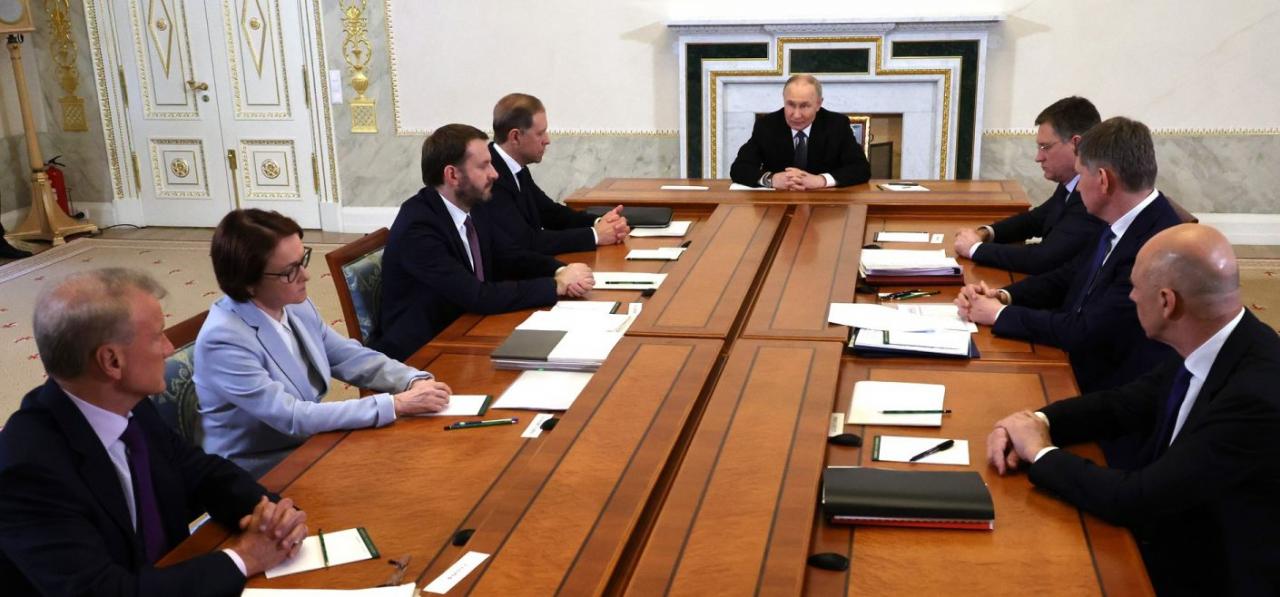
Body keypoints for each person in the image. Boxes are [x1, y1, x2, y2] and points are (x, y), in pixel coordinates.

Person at [986, 224, 1280, 596]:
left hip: (1211, 571)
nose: (1131, 296)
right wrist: (1035, 421)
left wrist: (1040, 452)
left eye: (1136, 288)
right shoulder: (1215, 338)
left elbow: (1138, 499)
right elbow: (1123, 404)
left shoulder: (1255, 397)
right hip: (1176, 530)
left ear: (1167, 302)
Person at [0, 269, 308, 595]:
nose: (169, 348)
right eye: (157, 336)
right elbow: (102, 592)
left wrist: (269, 513)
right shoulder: (26, 470)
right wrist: (244, 558)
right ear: (111, 361)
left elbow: (201, 473)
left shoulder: (130, 405)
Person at [957, 117, 1181, 467]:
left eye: (1081, 176)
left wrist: (1000, 315)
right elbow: (1068, 277)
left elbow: (1086, 330)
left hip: (1109, 392)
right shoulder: (1123, 218)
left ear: (1103, 180)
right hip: (1079, 359)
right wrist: (1003, 297)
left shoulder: (1154, 245)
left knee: (978, 412)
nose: (1076, 190)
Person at [195, 209, 453, 478]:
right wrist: (394, 404)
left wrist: (411, 380)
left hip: (312, 443)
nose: (306, 275)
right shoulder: (224, 341)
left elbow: (348, 356)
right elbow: (293, 417)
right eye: (290, 271)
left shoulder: (293, 304)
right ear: (248, 283)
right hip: (260, 471)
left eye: (302, 260)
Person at [371, 124, 595, 361]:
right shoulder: (417, 228)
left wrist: (560, 270)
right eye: (483, 166)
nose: (495, 174)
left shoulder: (473, 207)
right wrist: (554, 286)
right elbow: (477, 295)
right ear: (452, 175)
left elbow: (508, 255)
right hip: (421, 354)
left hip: (466, 327)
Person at [953, 96, 1106, 274]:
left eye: (1045, 147)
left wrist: (975, 249)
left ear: (1076, 144)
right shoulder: (1070, 182)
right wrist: (985, 233)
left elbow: (1043, 258)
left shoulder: (1091, 194)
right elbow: (1036, 220)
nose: (1038, 157)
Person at [483, 93, 629, 255]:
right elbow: (526, 241)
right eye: (540, 133)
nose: (547, 140)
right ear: (515, 137)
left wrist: (601, 222)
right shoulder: (490, 177)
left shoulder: (516, 167)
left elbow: (550, 213)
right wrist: (595, 235)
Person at [729, 74, 871, 189]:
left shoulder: (836, 125)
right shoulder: (767, 125)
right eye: (791, 105)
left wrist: (821, 180)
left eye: (804, 106)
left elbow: (861, 168)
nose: (796, 115)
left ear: (818, 104)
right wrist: (771, 179)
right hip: (778, 203)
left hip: (825, 205)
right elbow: (739, 168)